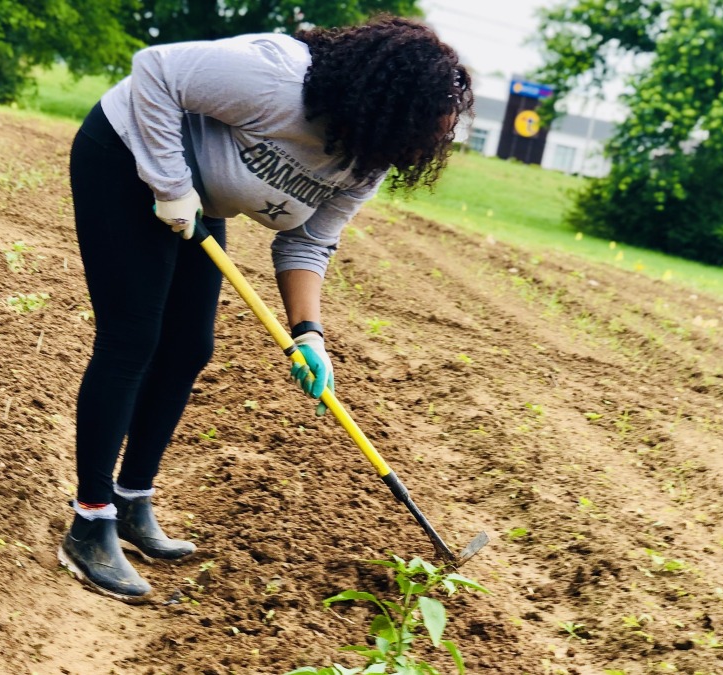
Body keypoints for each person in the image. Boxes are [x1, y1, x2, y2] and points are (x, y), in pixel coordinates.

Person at [59, 15, 473, 602]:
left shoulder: (368, 158)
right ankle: (90, 520)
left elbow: (308, 242)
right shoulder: (278, 82)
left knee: (189, 347)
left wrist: (310, 334)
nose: (410, 152)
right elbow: (155, 70)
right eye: (414, 135)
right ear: (384, 107)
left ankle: (131, 502)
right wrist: (171, 185)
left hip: (195, 199)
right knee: (132, 338)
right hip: (124, 155)